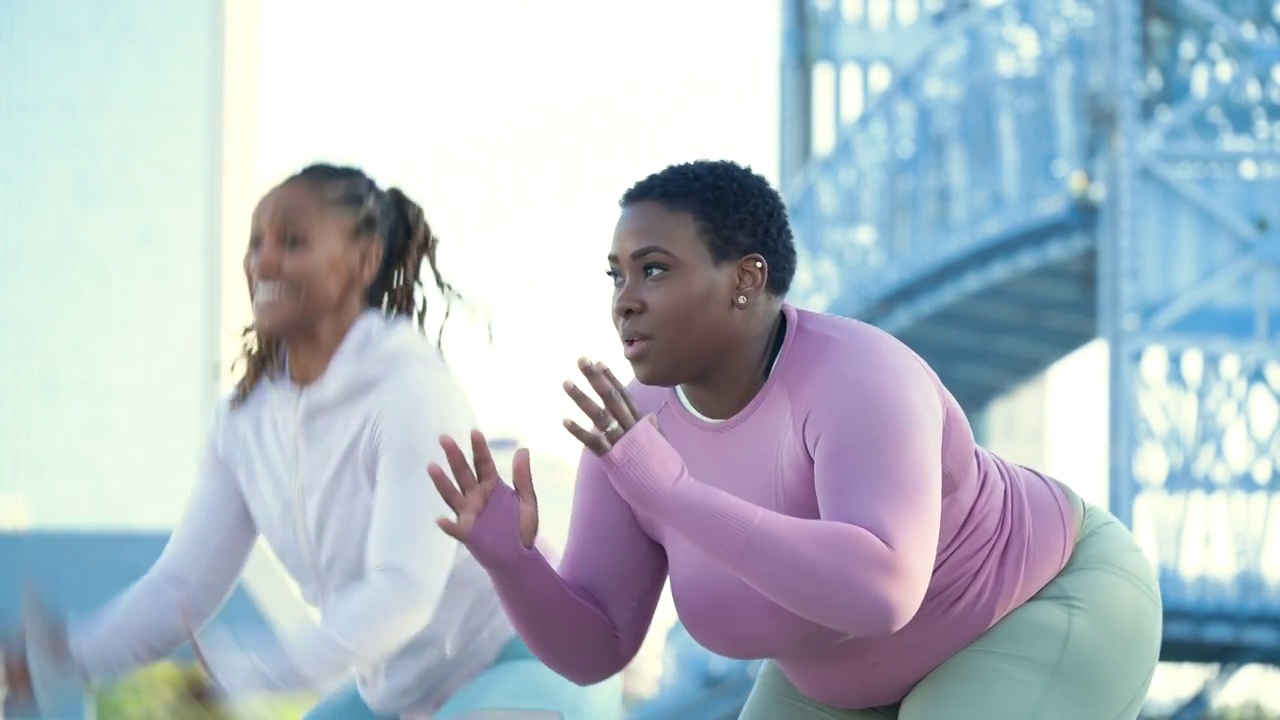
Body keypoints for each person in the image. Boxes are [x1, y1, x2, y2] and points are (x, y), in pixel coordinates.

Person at [428, 160, 1164, 720]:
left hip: (1045, 607)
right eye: (616, 275)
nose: (625, 299)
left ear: (747, 279)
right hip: (832, 677)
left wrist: (677, 495)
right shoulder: (629, 429)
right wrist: (511, 561)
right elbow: (598, 649)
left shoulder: (861, 378)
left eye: (654, 269)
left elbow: (881, 593)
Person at [0, 164, 622, 720]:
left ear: (362, 259)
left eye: (292, 242)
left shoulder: (409, 391)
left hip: (528, 661)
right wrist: (67, 656)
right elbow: (181, 587)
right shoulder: (244, 420)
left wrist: (248, 670)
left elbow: (402, 592)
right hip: (400, 689)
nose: (263, 262)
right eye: (256, 244)